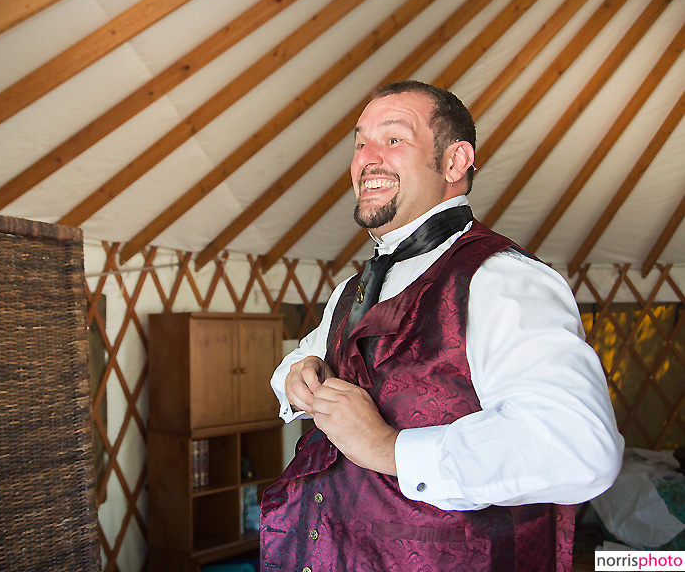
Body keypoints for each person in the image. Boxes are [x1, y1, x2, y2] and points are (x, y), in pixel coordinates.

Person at [259, 80, 623, 571]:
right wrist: (296, 376)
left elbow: (580, 446)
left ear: (454, 162)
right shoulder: (354, 289)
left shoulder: (500, 279)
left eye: (393, 139)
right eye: (360, 141)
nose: (367, 157)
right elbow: (301, 359)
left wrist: (389, 449)